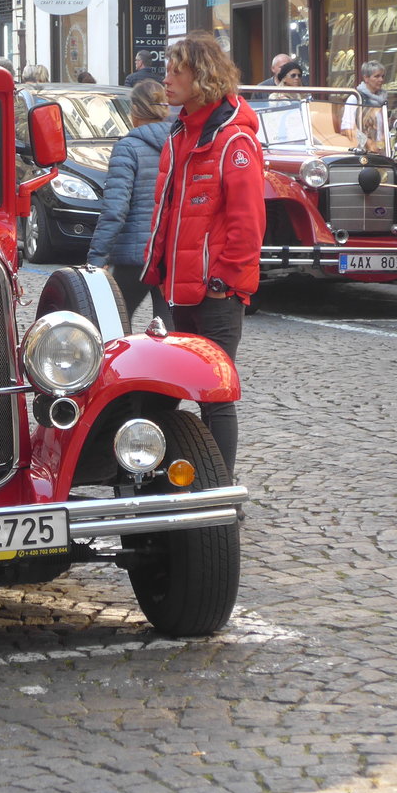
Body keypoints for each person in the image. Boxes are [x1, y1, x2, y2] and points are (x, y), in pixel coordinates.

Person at [142, 32, 265, 472]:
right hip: (177, 288)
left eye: (177, 71)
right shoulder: (181, 132)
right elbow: (168, 213)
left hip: (214, 293)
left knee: (215, 394)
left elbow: (248, 224)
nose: (166, 79)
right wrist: (158, 272)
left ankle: (219, 490)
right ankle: (171, 478)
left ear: (203, 77)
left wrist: (223, 282)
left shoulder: (233, 141)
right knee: (168, 388)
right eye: (167, 70)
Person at [86, 79, 172, 329]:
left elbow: (115, 209)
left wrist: (96, 257)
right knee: (169, 329)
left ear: (134, 110)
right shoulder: (179, 144)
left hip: (135, 256)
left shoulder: (127, 148)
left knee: (112, 322)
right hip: (170, 252)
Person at [340, 61, 388, 152]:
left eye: (382, 76)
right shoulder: (355, 98)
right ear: (366, 78)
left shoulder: (382, 99)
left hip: (380, 150)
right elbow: (348, 128)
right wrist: (367, 142)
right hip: (361, 151)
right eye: (377, 76)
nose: (381, 79)